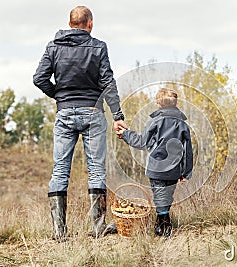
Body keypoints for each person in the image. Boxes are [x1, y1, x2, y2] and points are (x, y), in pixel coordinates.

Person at [33, 6, 127, 239]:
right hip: (93, 113)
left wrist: (59, 96)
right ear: (90, 23)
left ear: (69, 22)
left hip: (64, 114)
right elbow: (108, 83)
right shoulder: (98, 47)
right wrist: (118, 116)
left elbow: (39, 78)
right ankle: (98, 227)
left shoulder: (53, 47)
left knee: (60, 170)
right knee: (96, 169)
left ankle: (59, 231)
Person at [117, 88, 193, 238]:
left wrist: (125, 134)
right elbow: (188, 151)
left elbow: (140, 142)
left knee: (160, 197)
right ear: (175, 104)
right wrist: (185, 172)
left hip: (156, 168)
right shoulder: (183, 125)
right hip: (174, 169)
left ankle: (165, 227)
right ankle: (161, 225)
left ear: (158, 104)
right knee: (166, 197)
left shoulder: (155, 122)